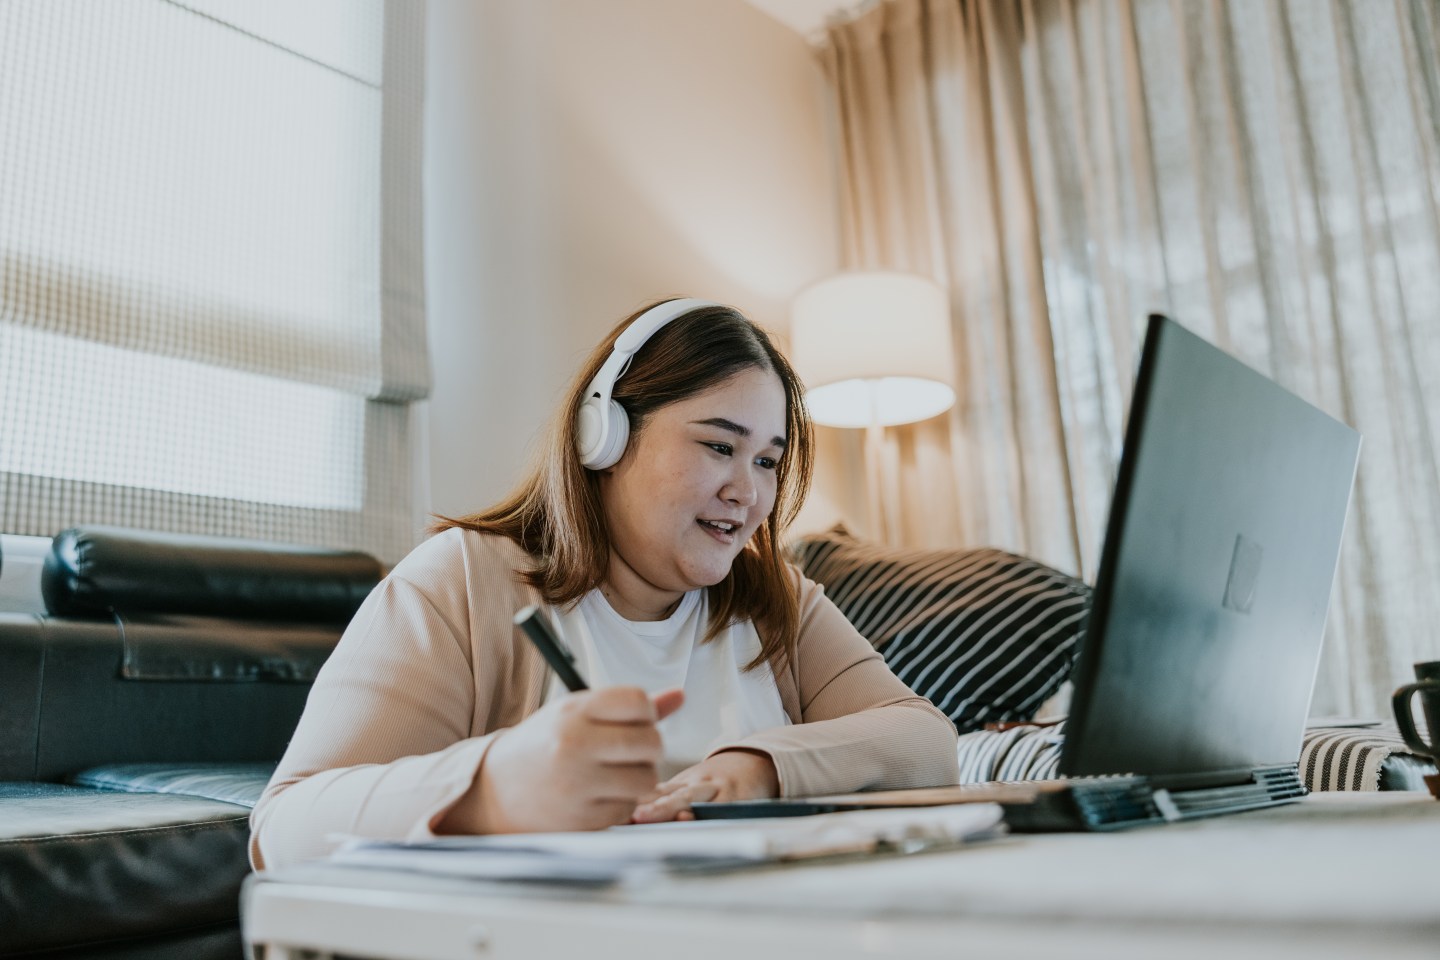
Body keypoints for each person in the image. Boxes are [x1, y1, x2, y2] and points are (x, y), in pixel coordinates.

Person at [249, 298, 960, 870]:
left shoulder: (778, 599)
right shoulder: (463, 582)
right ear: (605, 437)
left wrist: (761, 767)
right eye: (719, 446)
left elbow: (927, 742)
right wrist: (491, 788)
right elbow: (283, 830)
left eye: (768, 461)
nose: (749, 491)